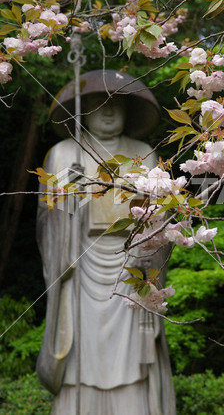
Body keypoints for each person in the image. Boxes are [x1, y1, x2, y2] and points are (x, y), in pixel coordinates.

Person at [36, 70, 176, 415]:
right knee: (83, 347)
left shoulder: (144, 154)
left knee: (130, 349)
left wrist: (148, 250)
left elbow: (159, 219)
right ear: (84, 112)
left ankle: (135, 406)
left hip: (132, 263)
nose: (109, 113)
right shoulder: (63, 153)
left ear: (129, 112)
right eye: (99, 106)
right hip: (80, 265)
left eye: (116, 106)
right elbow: (48, 220)